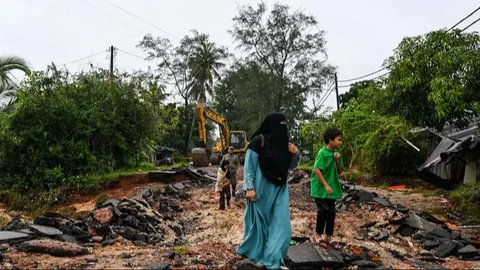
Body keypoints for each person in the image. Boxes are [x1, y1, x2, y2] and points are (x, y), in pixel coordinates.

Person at [236, 112, 301, 269]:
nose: (282, 128)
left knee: (282, 226)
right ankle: (256, 256)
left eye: (285, 125)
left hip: (280, 189)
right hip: (259, 190)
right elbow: (249, 167)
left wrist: (296, 153)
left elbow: (291, 166)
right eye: (280, 124)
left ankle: (272, 258)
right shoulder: (258, 142)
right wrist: (249, 188)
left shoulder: (285, 145)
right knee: (259, 226)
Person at [310, 128, 344, 246]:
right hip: (320, 188)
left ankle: (328, 236)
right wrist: (326, 185)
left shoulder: (337, 154)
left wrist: (337, 160)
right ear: (330, 140)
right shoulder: (322, 153)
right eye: (339, 140)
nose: (341, 142)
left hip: (331, 188)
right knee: (323, 210)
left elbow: (340, 171)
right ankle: (317, 235)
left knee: (332, 212)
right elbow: (317, 170)